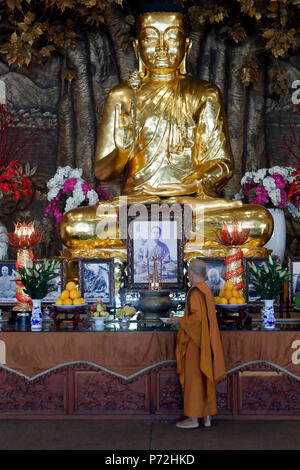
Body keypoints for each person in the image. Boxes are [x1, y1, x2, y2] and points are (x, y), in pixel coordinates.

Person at [60, 1, 273, 255]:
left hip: (190, 205)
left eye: (171, 37)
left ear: (187, 45)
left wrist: (191, 185)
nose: (161, 48)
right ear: (138, 47)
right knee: (74, 226)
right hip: (136, 209)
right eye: (151, 38)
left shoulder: (204, 93)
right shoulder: (122, 96)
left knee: (259, 221)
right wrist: (122, 150)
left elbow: (223, 163)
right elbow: (103, 172)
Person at [169, 259, 226, 428]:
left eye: (189, 273)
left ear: (191, 273)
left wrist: (178, 321)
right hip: (206, 340)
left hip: (195, 341)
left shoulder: (195, 292)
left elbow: (196, 319)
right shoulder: (207, 290)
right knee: (204, 377)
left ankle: (193, 419)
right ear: (206, 274)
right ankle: (207, 418)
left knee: (194, 379)